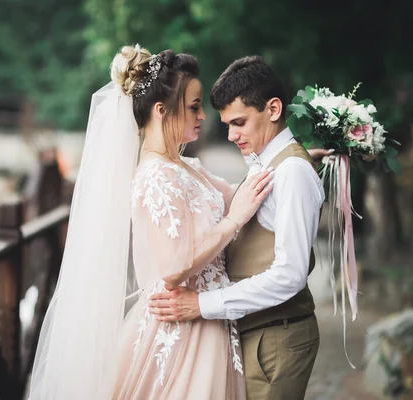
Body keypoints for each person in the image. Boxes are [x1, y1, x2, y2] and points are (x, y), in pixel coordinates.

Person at [27, 45, 275, 399]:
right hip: (181, 332)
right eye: (193, 106)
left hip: (206, 319)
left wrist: (290, 160)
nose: (203, 115)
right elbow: (174, 267)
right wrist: (233, 221)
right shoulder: (155, 177)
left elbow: (240, 192)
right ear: (162, 111)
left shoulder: (185, 167)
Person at [149, 55, 327, 400]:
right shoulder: (273, 163)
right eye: (227, 124)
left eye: (240, 123)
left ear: (273, 109)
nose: (231, 135)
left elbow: (290, 275)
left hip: (277, 338)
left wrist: (202, 304)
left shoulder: (291, 172)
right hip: (260, 333)